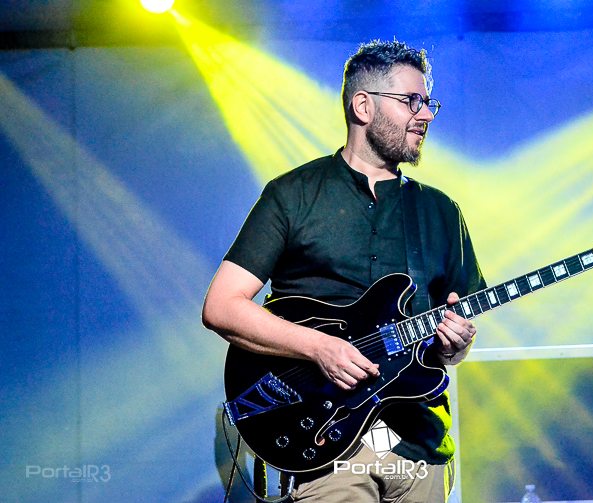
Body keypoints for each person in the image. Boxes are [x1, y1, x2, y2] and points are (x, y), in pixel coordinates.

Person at [202, 39, 486, 502]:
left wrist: (456, 345)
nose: (425, 115)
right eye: (411, 101)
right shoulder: (293, 194)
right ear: (363, 106)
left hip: (420, 448)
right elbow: (222, 307)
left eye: (427, 102)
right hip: (324, 446)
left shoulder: (441, 212)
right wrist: (319, 348)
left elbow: (451, 340)